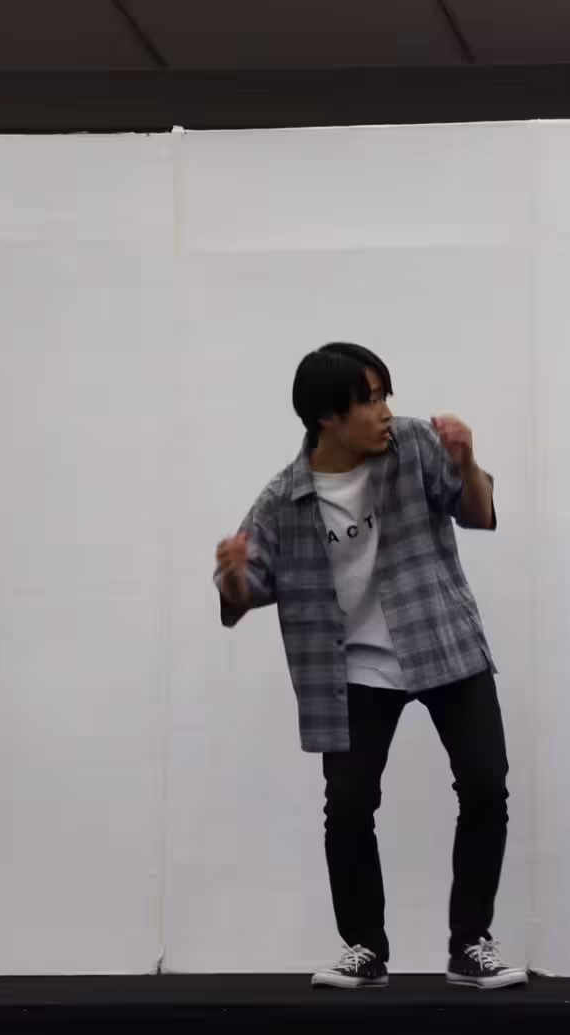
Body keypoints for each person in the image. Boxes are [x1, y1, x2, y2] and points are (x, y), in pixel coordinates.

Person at [213, 342, 525, 991]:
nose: (386, 412)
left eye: (386, 396)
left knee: (485, 784)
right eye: (371, 400)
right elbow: (244, 594)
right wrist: (235, 577)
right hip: (351, 667)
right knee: (349, 805)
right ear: (328, 417)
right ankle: (364, 946)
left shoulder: (415, 444)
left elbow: (477, 513)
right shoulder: (284, 499)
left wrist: (467, 463)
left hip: (441, 639)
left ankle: (471, 943)